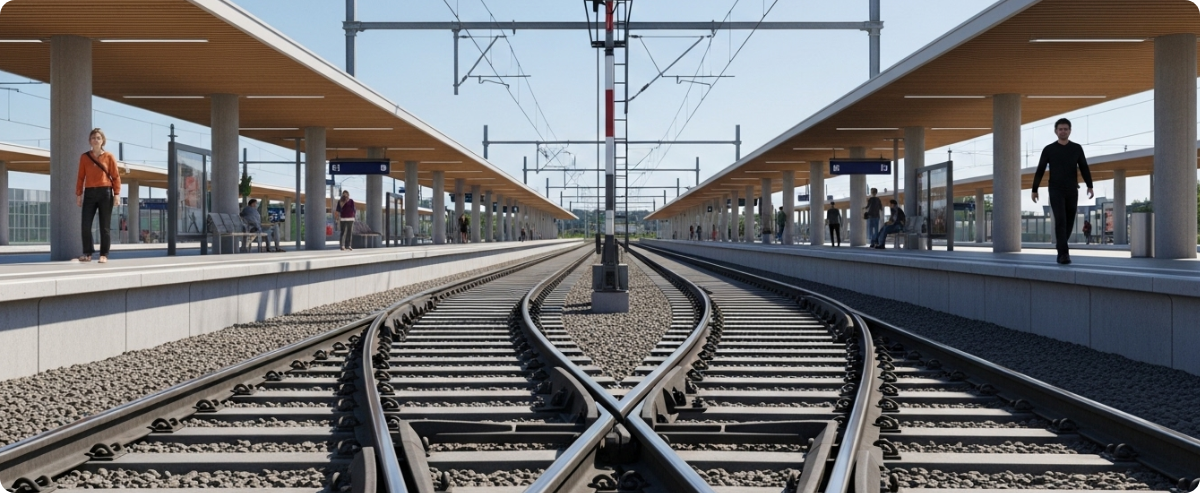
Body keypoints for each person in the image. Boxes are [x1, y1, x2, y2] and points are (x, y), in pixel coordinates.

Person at [1032, 118, 1093, 265]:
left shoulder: (1076, 148)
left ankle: (1061, 245)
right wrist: (1034, 189)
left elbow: (1084, 167)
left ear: (1070, 131)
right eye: (1060, 129)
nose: (1063, 131)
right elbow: (1040, 169)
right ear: (1056, 131)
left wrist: (1090, 185)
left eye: (1066, 129)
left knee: (1070, 221)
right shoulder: (1049, 149)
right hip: (1055, 189)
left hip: (1072, 189)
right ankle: (1063, 254)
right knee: (1060, 220)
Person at [76, 128, 121, 263]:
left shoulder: (109, 157)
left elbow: (116, 176)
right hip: (90, 193)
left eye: (98, 138)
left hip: (105, 192)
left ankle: (104, 254)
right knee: (85, 225)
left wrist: (117, 194)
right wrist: (79, 194)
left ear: (102, 141)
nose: (95, 140)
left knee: (104, 226)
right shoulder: (84, 157)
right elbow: (80, 177)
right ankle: (88, 253)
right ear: (90, 141)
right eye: (93, 138)